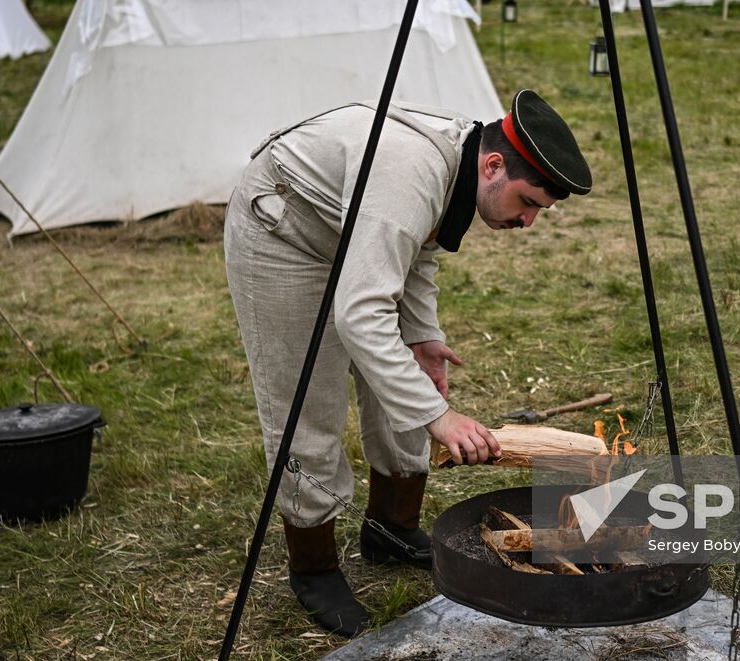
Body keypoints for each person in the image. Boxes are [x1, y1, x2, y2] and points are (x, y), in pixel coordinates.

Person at [224, 89, 591, 636]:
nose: (530, 221)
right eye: (529, 201)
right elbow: (362, 313)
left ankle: (390, 528)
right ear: (494, 165)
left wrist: (420, 336)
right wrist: (438, 418)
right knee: (307, 403)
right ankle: (314, 567)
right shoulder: (409, 172)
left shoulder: (463, 160)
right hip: (286, 232)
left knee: (404, 379)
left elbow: (415, 242)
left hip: (354, 233)